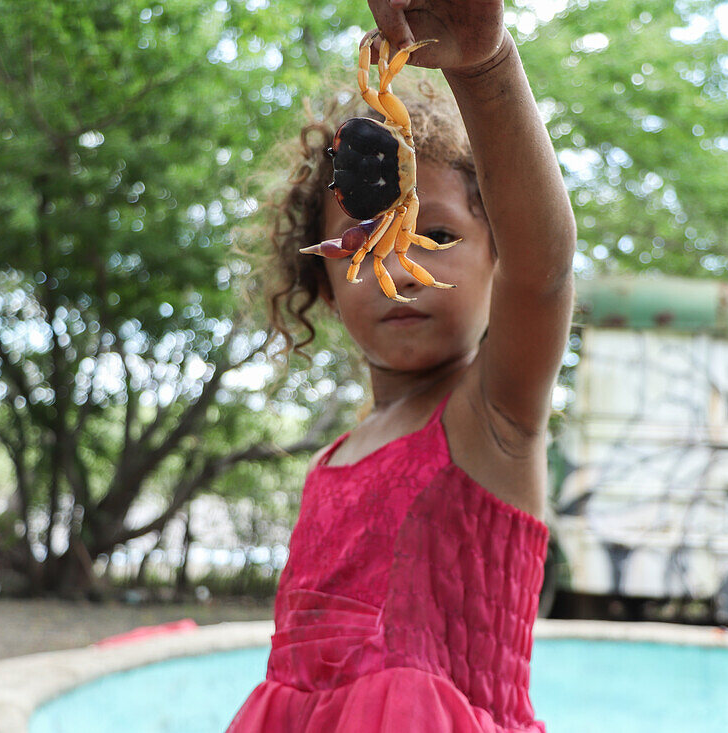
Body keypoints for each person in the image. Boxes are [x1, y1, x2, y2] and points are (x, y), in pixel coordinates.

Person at [227, 0, 574, 729]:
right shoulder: (333, 460)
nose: (405, 268)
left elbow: (544, 269)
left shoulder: (493, 417)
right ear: (320, 275)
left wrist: (484, 66)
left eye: (437, 235)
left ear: (497, 257)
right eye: (365, 243)